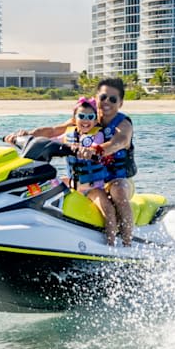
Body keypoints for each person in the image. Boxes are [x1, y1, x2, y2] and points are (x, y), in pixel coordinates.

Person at [4, 78, 137, 245]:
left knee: (117, 191)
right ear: (96, 98)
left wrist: (97, 149)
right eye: (103, 97)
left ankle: (127, 243)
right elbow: (53, 131)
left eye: (113, 99)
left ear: (121, 103)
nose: (107, 102)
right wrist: (27, 135)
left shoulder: (123, 124)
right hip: (88, 181)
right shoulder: (84, 120)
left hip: (117, 180)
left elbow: (120, 141)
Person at [56, 97, 118, 245]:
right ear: (74, 119)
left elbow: (97, 144)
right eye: (82, 116)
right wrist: (28, 138)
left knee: (108, 211)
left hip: (93, 188)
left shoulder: (98, 135)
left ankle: (112, 245)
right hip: (73, 185)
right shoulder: (68, 135)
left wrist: (89, 150)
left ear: (96, 120)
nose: (86, 120)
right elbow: (51, 141)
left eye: (90, 117)